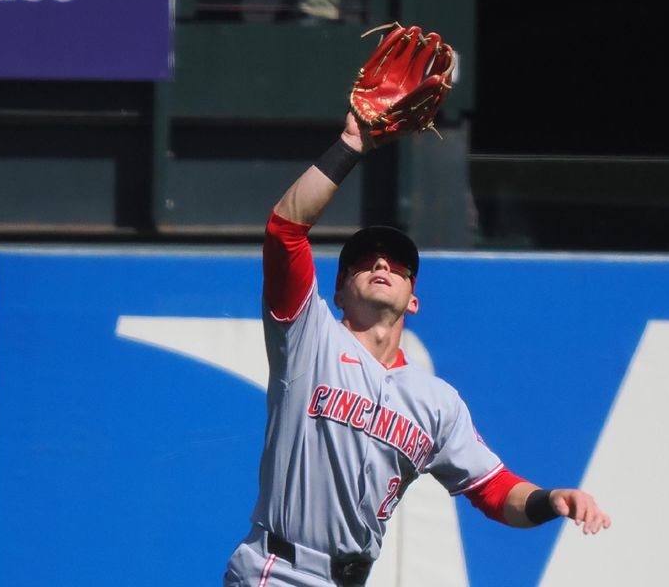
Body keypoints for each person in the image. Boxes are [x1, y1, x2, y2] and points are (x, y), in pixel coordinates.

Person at [223, 112, 611, 587]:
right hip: (279, 569)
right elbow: (285, 230)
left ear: (414, 298)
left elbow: (494, 489)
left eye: (399, 264)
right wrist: (349, 146)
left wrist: (551, 500)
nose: (381, 262)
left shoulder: (436, 403)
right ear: (339, 291)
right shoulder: (308, 337)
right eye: (363, 261)